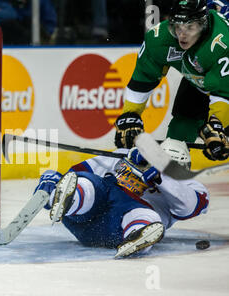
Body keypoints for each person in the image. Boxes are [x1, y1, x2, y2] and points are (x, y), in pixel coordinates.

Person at [34, 138, 209, 258]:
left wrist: (161, 176)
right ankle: (65, 201)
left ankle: (137, 236)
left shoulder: (191, 187)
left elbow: (189, 206)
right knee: (94, 186)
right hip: (81, 219)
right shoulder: (125, 157)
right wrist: (53, 181)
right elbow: (78, 173)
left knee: (146, 215)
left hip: (114, 232)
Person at [114, 0, 229, 162]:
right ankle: (170, 174)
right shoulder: (159, 39)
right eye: (178, 26)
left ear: (203, 25)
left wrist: (218, 125)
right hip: (200, 82)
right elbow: (143, 80)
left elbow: (224, 93)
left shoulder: (222, 42)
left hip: (224, 86)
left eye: (189, 27)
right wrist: (130, 115)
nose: (182, 34)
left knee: (217, 134)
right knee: (180, 128)